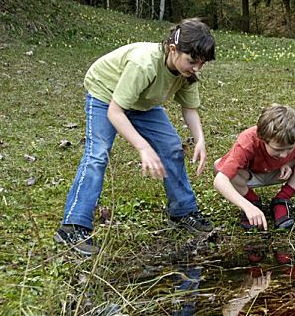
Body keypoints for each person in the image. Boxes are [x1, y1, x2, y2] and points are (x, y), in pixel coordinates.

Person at [55, 18, 216, 255]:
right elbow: (115, 112)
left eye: (201, 63)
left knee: (171, 146)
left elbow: (189, 108)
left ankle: (182, 212)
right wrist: (142, 147)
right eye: (192, 61)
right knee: (97, 154)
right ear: (173, 50)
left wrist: (199, 139)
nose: (197, 68)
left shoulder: (187, 72)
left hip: (143, 101)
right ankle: (72, 225)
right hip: (107, 94)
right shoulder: (144, 64)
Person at [213, 103, 295, 230]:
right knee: (219, 166)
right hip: (250, 176)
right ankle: (252, 201)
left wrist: (287, 163)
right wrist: (246, 206)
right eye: (278, 149)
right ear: (262, 138)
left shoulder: (291, 135)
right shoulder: (247, 142)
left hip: (279, 173)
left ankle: (282, 199)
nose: (283, 154)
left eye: (289, 148)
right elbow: (219, 181)